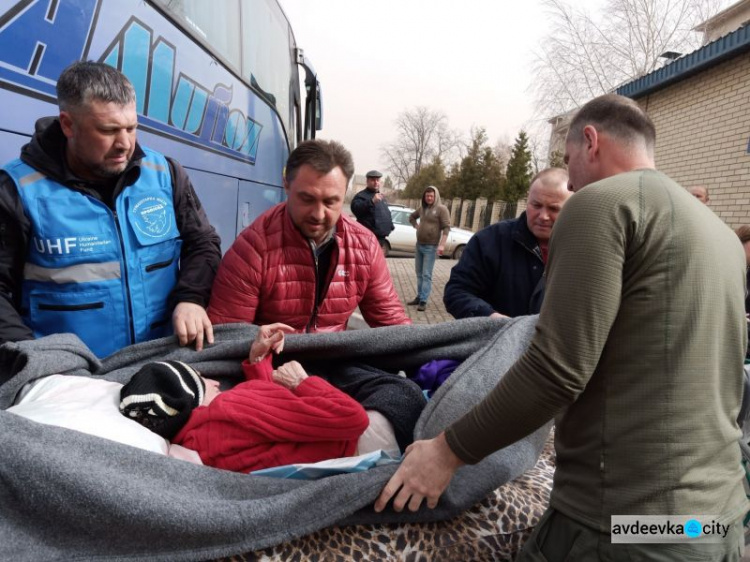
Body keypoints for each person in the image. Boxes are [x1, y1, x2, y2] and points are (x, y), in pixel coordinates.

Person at [376, 94, 748, 560]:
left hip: (624, 526)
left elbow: (557, 370)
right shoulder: (718, 232)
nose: (570, 180)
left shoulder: (601, 204)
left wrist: (447, 452)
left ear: (590, 141)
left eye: (569, 161)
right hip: (711, 521)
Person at [0, 61, 221, 358]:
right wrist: (32, 361)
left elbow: (203, 244)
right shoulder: (17, 189)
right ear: (68, 125)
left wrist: (192, 298)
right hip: (69, 379)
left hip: (160, 363)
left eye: (131, 128)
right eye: (108, 130)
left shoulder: (165, 174)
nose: (124, 143)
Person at [207, 139, 410, 331]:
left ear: (345, 192)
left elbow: (392, 325)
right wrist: (264, 364)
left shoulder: (365, 246)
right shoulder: (252, 248)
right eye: (307, 199)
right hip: (271, 365)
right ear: (286, 184)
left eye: (331, 202)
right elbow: (227, 337)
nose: (318, 215)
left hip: (333, 367)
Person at [119, 323, 372, 473]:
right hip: (364, 440)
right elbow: (353, 417)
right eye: (202, 378)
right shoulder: (228, 407)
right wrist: (301, 382)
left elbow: (263, 422)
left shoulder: (195, 439)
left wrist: (258, 362)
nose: (216, 381)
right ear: (190, 394)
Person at [443, 168, 570, 319]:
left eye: (554, 209)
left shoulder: (585, 248)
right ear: (527, 200)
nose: (543, 216)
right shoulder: (489, 240)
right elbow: (457, 291)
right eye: (536, 205)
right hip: (496, 339)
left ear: (572, 208)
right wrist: (490, 318)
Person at [406, 186, 450, 312]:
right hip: (419, 245)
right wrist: (416, 225)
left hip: (431, 247)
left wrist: (442, 245)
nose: (429, 198)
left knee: (426, 275)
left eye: (431, 196)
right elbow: (411, 217)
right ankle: (419, 297)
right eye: (427, 196)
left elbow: (446, 227)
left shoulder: (442, 209)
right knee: (419, 274)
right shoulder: (422, 208)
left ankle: (424, 300)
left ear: (436, 196)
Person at [350, 169, 394, 254]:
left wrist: (390, 226)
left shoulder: (381, 197)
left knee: (378, 266)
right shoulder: (361, 196)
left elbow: (386, 213)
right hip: (366, 239)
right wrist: (371, 201)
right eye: (373, 180)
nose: (376, 182)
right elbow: (356, 209)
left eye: (378, 180)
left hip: (381, 240)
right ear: (367, 181)